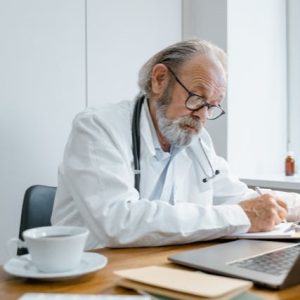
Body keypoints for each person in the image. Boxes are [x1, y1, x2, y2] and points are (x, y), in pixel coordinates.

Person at [51, 39, 300, 249]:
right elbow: (117, 222)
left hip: (164, 267)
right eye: (197, 97)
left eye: (212, 105)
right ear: (160, 79)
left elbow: (239, 197)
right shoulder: (98, 127)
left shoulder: (196, 142)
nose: (202, 115)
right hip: (96, 275)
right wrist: (240, 215)